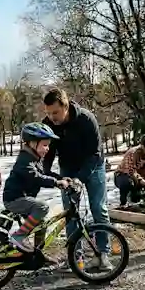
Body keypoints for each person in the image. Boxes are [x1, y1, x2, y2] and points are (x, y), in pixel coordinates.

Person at [42, 87, 112, 271]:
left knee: (98, 208)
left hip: (93, 165)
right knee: (70, 212)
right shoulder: (48, 124)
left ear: (65, 106)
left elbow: (95, 153)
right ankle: (75, 257)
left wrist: (80, 179)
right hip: (68, 168)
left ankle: (103, 254)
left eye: (55, 112)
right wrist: (46, 171)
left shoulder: (86, 120)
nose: (52, 117)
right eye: (48, 113)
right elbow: (48, 152)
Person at [2, 122, 70, 252]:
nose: (48, 149)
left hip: (24, 198)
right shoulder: (24, 160)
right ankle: (19, 236)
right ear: (33, 143)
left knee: (42, 224)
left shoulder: (34, 159)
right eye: (45, 145)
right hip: (14, 199)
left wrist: (61, 179)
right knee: (42, 206)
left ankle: (38, 254)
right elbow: (36, 177)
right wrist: (56, 183)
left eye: (48, 145)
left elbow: (44, 173)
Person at [114, 134, 145, 206]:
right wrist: (143, 182)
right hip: (123, 176)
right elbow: (131, 172)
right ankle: (123, 203)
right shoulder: (132, 153)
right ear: (142, 146)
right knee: (127, 182)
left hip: (139, 179)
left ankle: (137, 199)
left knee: (138, 198)